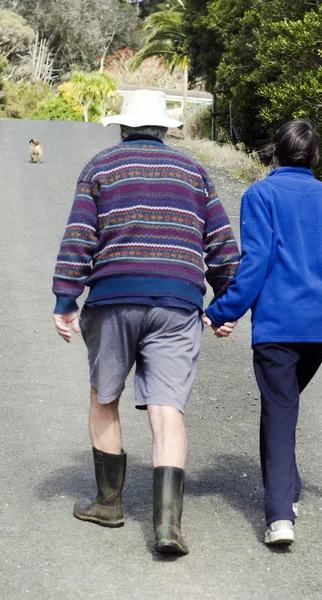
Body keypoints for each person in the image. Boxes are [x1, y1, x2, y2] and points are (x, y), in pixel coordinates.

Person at [52, 89, 240, 556]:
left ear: (122, 126)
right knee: (167, 409)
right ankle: (167, 527)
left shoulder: (100, 166)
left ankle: (108, 504)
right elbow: (221, 244)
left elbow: (80, 235)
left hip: (114, 298)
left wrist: (65, 298)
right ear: (165, 129)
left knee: (104, 396)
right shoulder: (195, 172)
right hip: (177, 302)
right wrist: (225, 304)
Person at [203, 120, 322, 546]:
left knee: (280, 408)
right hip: (320, 328)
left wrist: (223, 310)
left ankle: (281, 515)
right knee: (282, 404)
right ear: (314, 157)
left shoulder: (260, 195)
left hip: (278, 326)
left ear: (275, 153)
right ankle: (290, 487)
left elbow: (256, 262)